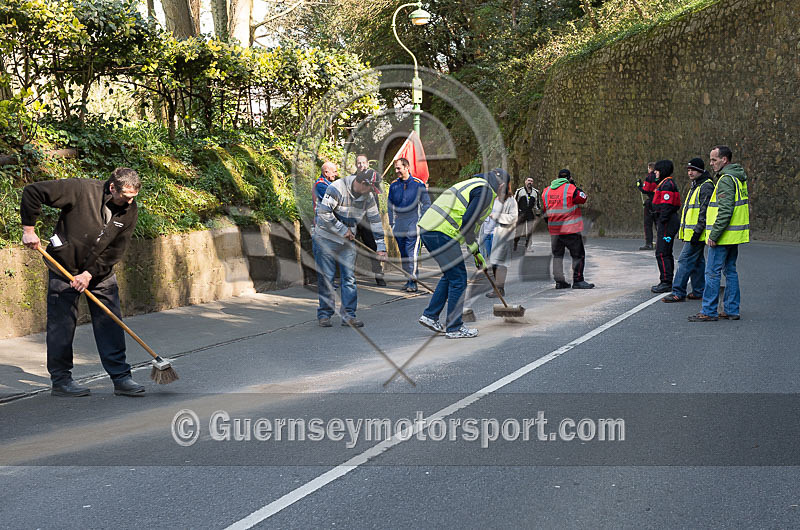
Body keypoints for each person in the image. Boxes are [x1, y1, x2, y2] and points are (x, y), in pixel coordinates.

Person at [20, 168, 145, 397]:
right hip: (64, 268)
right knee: (61, 326)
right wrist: (29, 229)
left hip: (99, 274)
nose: (129, 201)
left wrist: (89, 274)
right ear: (112, 188)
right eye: (125, 195)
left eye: (133, 197)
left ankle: (121, 377)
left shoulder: (129, 210)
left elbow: (117, 249)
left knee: (111, 322)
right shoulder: (80, 189)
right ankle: (61, 381)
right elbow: (33, 191)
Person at [417, 168, 510, 338]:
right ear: (502, 185)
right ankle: (454, 327)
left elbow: (468, 222)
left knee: (450, 275)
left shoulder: (473, 184)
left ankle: (430, 316)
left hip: (429, 229)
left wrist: (473, 249)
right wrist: (473, 246)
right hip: (441, 232)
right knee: (459, 278)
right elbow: (467, 220)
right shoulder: (485, 191)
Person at [314, 168, 387, 327]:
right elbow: (324, 213)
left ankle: (349, 316)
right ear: (362, 183)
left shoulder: (368, 197)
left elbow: (375, 220)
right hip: (325, 238)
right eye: (370, 188)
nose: (371, 193)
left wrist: (381, 246)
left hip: (347, 241)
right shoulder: (337, 188)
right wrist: (342, 229)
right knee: (327, 277)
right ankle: (325, 314)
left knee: (349, 278)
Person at [689, 145, 749, 322]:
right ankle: (731, 309)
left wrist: (714, 235)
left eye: (714, 159)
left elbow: (724, 211)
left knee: (712, 272)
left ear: (725, 160)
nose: (711, 163)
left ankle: (708, 310)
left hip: (722, 235)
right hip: (733, 235)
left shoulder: (726, 180)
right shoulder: (738, 178)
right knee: (730, 271)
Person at [663, 158, 714, 303]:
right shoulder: (697, 185)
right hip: (694, 233)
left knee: (684, 260)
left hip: (697, 233)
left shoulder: (705, 186)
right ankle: (699, 290)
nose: (690, 172)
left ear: (700, 171)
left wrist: (697, 232)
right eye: (688, 169)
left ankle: (678, 292)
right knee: (697, 262)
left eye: (693, 169)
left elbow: (704, 212)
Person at [541, 169, 594, 289]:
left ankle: (560, 282)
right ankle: (578, 280)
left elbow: (544, 210)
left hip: (554, 230)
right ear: (569, 178)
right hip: (570, 229)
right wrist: (574, 185)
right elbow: (583, 198)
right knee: (578, 255)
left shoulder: (546, 191)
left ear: (557, 177)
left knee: (557, 256)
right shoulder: (570, 189)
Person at [387, 157, 431, 292]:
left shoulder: (418, 184)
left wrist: (421, 221)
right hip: (399, 223)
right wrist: (391, 223)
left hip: (413, 222)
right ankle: (408, 279)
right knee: (404, 253)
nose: (396, 171)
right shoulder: (394, 185)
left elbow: (426, 204)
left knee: (411, 253)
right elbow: (390, 206)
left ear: (407, 167)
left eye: (399, 168)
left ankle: (413, 281)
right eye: (395, 168)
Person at [353, 154, 386, 286]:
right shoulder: (352, 180)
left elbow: (378, 195)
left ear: (367, 164)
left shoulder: (373, 178)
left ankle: (379, 276)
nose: (361, 165)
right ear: (356, 165)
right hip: (354, 221)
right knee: (351, 249)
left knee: (373, 248)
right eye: (358, 163)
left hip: (368, 221)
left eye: (363, 163)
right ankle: (349, 277)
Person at [650, 160, 682, 293]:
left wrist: (661, 220)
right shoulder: (664, 184)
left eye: (656, 170)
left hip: (667, 223)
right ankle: (666, 280)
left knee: (662, 252)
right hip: (666, 222)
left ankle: (666, 281)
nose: (654, 172)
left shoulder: (667, 185)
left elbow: (667, 205)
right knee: (665, 251)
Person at [486, 179, 518, 297]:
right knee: (492, 262)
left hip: (502, 234)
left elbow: (513, 217)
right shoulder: (492, 199)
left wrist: (496, 216)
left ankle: (499, 288)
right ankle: (496, 287)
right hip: (488, 234)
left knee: (499, 262)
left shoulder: (511, 200)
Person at [513, 177, 542, 251]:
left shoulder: (535, 192)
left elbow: (537, 204)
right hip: (521, 212)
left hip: (530, 212)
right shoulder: (519, 191)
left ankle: (528, 246)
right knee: (519, 230)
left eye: (532, 181)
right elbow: (514, 202)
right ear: (525, 181)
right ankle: (515, 245)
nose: (530, 182)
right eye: (528, 180)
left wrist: (538, 214)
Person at [637, 162, 658, 250]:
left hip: (651, 203)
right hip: (658, 203)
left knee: (648, 224)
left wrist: (639, 185)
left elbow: (645, 190)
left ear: (650, 168)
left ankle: (648, 243)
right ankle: (661, 242)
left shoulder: (649, 177)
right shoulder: (659, 177)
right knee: (658, 224)